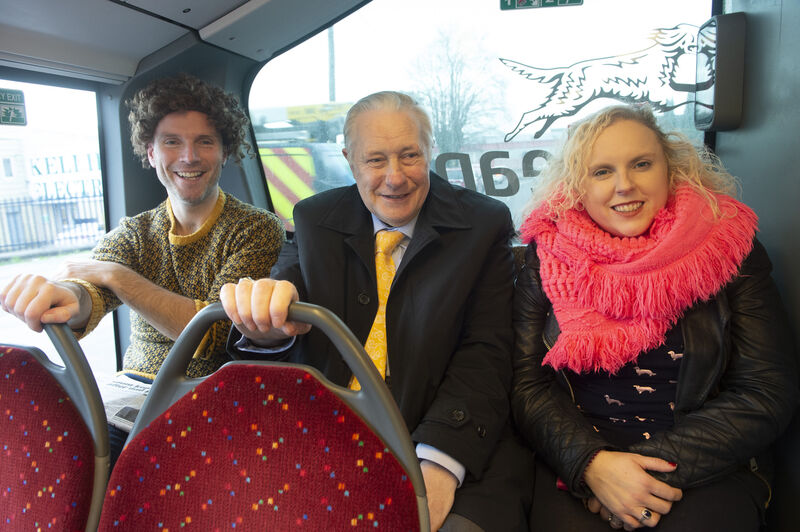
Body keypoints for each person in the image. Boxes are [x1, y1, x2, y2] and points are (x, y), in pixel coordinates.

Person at [219, 91, 533, 531]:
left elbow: (487, 352)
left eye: (409, 156)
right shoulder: (313, 219)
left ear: (429, 152)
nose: (395, 178)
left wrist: (441, 462)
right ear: (350, 160)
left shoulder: (482, 225)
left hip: (445, 430)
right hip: (324, 436)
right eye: (375, 160)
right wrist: (266, 323)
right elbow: (282, 298)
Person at [511, 104, 798, 531]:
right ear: (578, 187)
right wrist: (592, 466)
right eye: (602, 172)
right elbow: (526, 383)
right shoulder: (547, 257)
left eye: (641, 164)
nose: (624, 185)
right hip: (579, 457)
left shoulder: (728, 246)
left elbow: (766, 391)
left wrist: (637, 474)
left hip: (704, 465)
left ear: (670, 168)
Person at [0, 74, 284, 459]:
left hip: (213, 393)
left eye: (205, 141)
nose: (189, 157)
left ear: (224, 152)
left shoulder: (256, 227)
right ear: (150, 153)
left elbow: (206, 336)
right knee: (46, 451)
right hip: (129, 391)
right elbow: (87, 292)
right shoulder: (135, 232)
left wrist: (118, 278)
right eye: (172, 142)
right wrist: (59, 296)